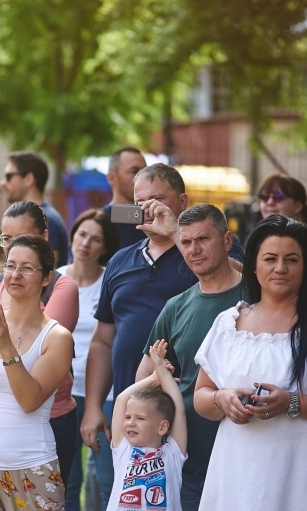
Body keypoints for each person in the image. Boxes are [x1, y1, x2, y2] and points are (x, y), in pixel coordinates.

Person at [192, 214, 307, 510]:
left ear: (306, 267)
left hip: (304, 483)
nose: (280, 268)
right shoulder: (228, 325)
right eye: (270, 258)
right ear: (254, 264)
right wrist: (222, 398)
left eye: (291, 259)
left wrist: (292, 402)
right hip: (237, 479)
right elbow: (201, 396)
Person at [81, 164, 244, 459]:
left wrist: (175, 233)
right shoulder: (120, 261)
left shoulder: (206, 245)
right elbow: (103, 340)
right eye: (140, 202)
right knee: (120, 500)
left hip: (195, 414)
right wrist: (94, 407)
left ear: (182, 202)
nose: (148, 208)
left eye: (157, 199)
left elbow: (233, 280)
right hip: (129, 414)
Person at [0, 200, 80, 486]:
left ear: (46, 277)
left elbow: (30, 400)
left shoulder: (57, 336)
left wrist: (7, 347)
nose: (15, 275)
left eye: (27, 268)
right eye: (9, 265)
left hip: (31, 467)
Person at [134, 203, 243, 511]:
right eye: (186, 242)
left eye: (204, 239)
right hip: (187, 462)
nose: (194, 249)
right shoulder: (175, 307)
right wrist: (160, 378)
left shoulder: (258, 296)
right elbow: (142, 380)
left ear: (226, 241)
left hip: (247, 455)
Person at [56, 210, 120, 511]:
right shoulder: (55, 279)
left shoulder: (111, 280)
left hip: (103, 391)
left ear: (105, 248)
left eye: (96, 239)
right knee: (67, 481)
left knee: (109, 479)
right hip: (61, 388)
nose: (85, 243)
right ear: (73, 235)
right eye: (82, 234)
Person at [109, 340, 186, 511]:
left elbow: (178, 408)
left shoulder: (172, 453)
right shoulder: (123, 450)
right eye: (128, 417)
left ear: (162, 427)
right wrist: (154, 378)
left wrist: (162, 372)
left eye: (140, 418)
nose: (130, 423)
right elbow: (121, 400)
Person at [257, 173, 307, 313]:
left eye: (278, 197)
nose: (270, 202)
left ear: (297, 206)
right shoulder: (255, 243)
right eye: (264, 197)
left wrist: (292, 324)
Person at [1, 151, 70, 267]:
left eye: (9, 176)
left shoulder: (47, 219)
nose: (3, 183)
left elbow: (48, 271)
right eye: (7, 238)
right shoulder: (47, 215)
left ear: (28, 179)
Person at [105, 147, 148, 250]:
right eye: (134, 171)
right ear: (112, 178)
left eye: (146, 171)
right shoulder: (98, 223)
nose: (143, 178)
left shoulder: (155, 220)